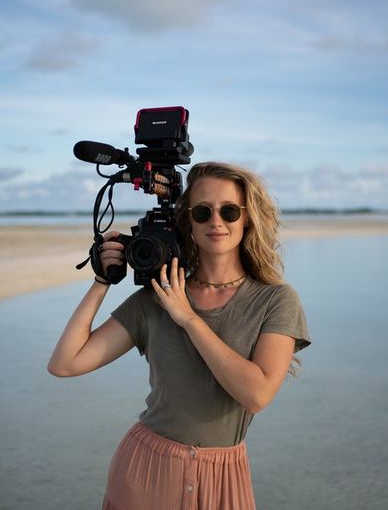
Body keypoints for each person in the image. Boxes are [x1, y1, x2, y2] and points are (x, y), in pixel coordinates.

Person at [47, 161, 310, 509]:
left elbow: (256, 394)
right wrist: (102, 282)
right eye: (202, 212)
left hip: (223, 477)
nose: (216, 221)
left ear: (247, 218)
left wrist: (188, 318)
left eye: (229, 211)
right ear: (187, 220)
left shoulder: (275, 300)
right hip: (145, 471)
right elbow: (65, 364)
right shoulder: (156, 298)